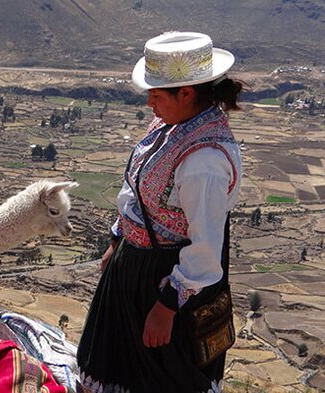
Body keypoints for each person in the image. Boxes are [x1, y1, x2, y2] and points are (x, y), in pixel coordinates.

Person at [76, 32, 243, 393]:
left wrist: (166, 308)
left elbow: (206, 249)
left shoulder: (205, 161)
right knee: (112, 369)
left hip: (167, 283)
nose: (149, 100)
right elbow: (135, 189)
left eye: (156, 92)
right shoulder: (170, 127)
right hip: (134, 273)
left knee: (161, 379)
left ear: (186, 94)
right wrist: (117, 241)